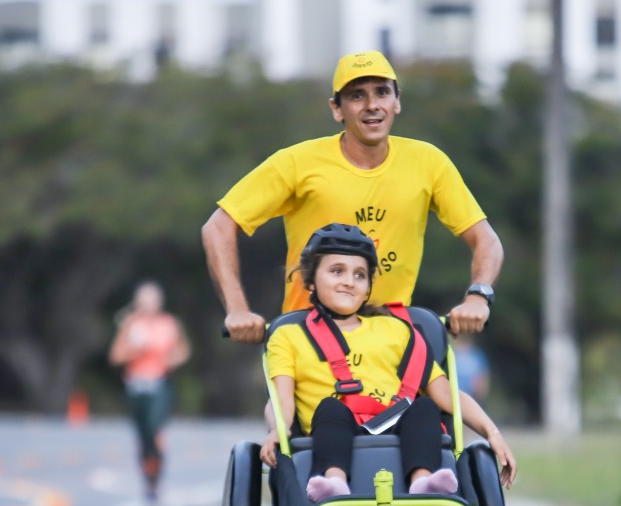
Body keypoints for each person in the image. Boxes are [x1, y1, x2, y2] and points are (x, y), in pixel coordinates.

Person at [262, 224, 516, 506]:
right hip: (330, 433)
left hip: (396, 431)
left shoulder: (396, 331)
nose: (348, 281)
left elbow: (445, 393)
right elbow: (281, 400)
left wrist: (491, 432)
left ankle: (424, 484)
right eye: (336, 271)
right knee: (330, 408)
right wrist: (275, 432)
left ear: (369, 284)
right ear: (311, 279)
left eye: (359, 274)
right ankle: (333, 485)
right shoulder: (289, 335)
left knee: (422, 409)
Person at [202, 49, 504, 344]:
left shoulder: (429, 163)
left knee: (459, 398)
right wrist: (237, 309)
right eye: (357, 96)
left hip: (391, 345)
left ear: (397, 102)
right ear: (337, 109)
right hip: (309, 344)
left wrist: (478, 297)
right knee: (279, 399)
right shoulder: (296, 163)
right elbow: (218, 226)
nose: (372, 105)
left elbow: (486, 240)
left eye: (382, 92)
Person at [108, 282, 190, 501]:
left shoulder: (169, 323)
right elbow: (116, 355)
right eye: (144, 301)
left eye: (152, 300)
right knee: (142, 435)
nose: (148, 305)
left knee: (156, 430)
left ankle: (157, 477)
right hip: (136, 385)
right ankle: (147, 477)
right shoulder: (131, 324)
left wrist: (172, 360)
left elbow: (182, 350)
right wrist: (136, 350)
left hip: (160, 384)